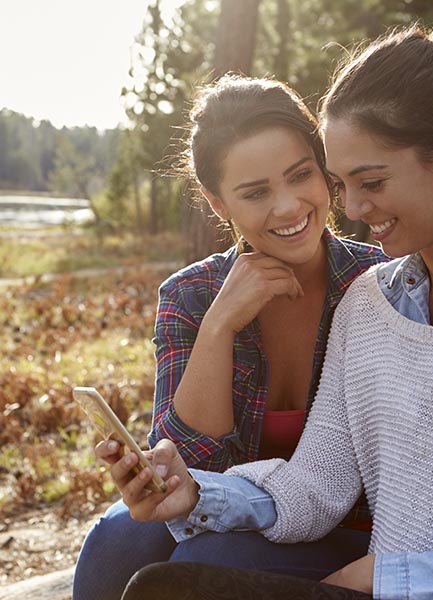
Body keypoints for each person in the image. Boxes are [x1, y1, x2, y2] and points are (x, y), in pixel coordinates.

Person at [105, 12, 433, 600]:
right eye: (341, 182)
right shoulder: (368, 303)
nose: (350, 208)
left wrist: (389, 576)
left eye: (371, 182)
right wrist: (199, 494)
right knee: (155, 579)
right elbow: (315, 486)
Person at [72, 75, 386, 600]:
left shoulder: (378, 281)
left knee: (206, 561)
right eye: (256, 192)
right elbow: (189, 477)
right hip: (227, 506)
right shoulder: (191, 295)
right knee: (116, 543)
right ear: (219, 204)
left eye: (300, 175)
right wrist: (219, 325)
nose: (287, 207)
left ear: (323, 168)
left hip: (347, 529)